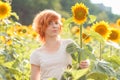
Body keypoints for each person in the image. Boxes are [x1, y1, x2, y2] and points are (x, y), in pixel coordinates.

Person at [30, 9, 89, 80]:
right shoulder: (36, 54)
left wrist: (86, 63)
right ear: (41, 27)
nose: (54, 26)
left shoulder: (69, 44)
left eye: (56, 23)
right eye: (49, 23)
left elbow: (83, 60)